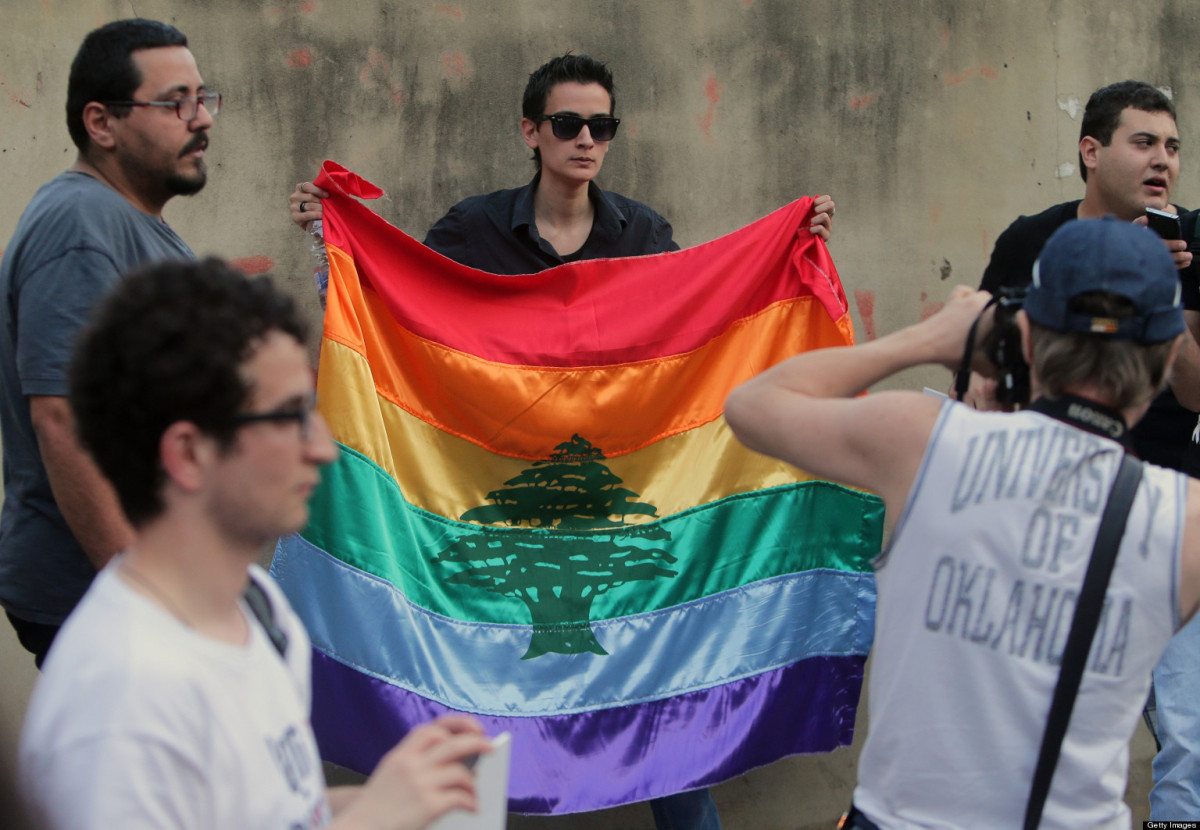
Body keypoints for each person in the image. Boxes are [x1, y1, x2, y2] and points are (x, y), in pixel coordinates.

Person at [288, 53, 833, 830]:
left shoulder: (643, 233)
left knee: (664, 728)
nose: (586, 140)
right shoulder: (473, 230)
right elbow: (396, 323)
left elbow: (695, 343)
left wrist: (791, 245)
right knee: (476, 712)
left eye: (601, 126)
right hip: (493, 504)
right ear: (531, 132)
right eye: (569, 124)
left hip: (614, 510)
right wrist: (330, 243)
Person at [726, 217, 1199, 828]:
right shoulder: (1183, 519)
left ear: (1026, 338)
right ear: (1165, 358)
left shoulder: (928, 445)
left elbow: (751, 406)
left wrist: (928, 339)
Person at [20, 258, 493, 830]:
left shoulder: (258, 607)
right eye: (292, 417)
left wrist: (404, 792)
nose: (322, 447)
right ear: (190, 454)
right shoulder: (119, 697)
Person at [0, 18, 215, 667]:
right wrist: (141, 595)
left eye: (203, 98)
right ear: (102, 123)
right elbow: (62, 419)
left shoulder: (132, 224)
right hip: (105, 600)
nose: (201, 118)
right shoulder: (81, 224)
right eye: (175, 101)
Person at [975, 80, 1200, 467]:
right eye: (1144, 143)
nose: (1163, 160)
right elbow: (977, 358)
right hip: (1040, 475)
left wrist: (1153, 283)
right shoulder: (1030, 239)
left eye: (1172, 147)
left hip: (1160, 492)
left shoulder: (1192, 241)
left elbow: (1195, 394)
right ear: (1092, 152)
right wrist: (978, 381)